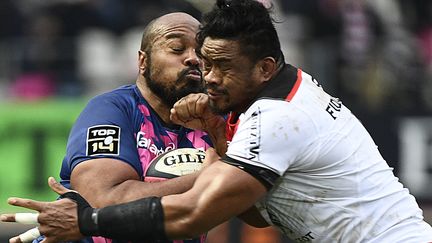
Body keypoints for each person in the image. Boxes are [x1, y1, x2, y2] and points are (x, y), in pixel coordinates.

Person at [3, 0, 432, 242]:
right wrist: (216, 151)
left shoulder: (272, 119)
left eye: (219, 64)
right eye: (192, 56)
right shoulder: (113, 110)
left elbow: (206, 213)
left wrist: (86, 219)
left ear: (264, 69)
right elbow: (260, 209)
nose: (205, 73)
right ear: (142, 60)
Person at [4, 12, 229, 243]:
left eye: (201, 53)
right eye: (177, 48)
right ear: (143, 61)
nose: (193, 59)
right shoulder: (110, 109)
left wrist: (219, 137)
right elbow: (105, 201)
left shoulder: (216, 119)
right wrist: (212, 178)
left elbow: (255, 202)